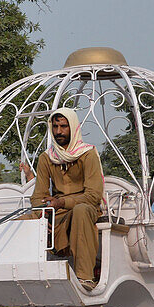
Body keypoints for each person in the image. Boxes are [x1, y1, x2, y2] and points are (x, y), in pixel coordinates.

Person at [29, 108, 104, 290]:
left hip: (85, 209)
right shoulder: (47, 157)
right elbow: (38, 196)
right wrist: (43, 214)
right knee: (23, 221)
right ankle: (24, 275)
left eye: (63, 126)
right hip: (57, 212)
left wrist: (62, 202)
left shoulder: (87, 154)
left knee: (81, 210)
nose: (58, 131)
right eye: (55, 126)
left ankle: (85, 277)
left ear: (73, 128)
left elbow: (93, 196)